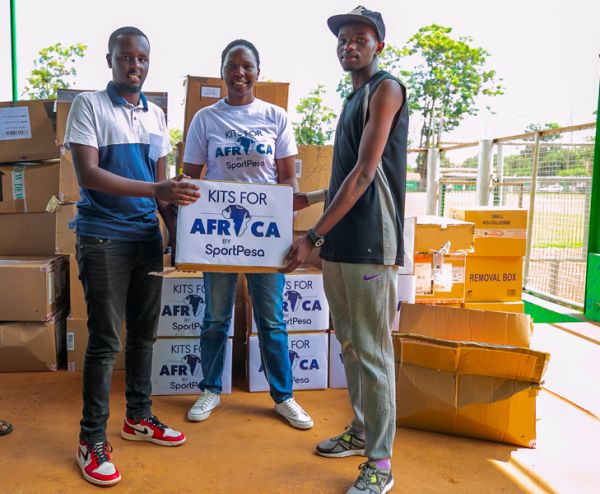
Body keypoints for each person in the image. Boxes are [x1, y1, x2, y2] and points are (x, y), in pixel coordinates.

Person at [65, 26, 200, 487]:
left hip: (146, 237)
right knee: (106, 342)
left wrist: (180, 233)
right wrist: (157, 189)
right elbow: (89, 175)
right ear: (110, 59)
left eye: (142, 58)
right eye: (126, 57)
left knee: (144, 337)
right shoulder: (89, 106)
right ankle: (90, 440)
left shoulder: (156, 115)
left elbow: (163, 191)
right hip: (102, 236)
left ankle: (138, 418)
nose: (135, 66)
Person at [283, 6, 408, 494]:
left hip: (370, 242)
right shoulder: (353, 96)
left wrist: (312, 234)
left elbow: (364, 175)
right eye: (343, 39)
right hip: (341, 242)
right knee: (352, 345)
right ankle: (360, 432)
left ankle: (381, 461)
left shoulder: (386, 89)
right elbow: (349, 173)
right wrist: (310, 198)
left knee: (374, 353)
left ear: (379, 45)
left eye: (360, 38)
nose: (348, 45)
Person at [183, 39, 313, 430]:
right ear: (222, 71)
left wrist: (287, 233)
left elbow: (287, 178)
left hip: (266, 237)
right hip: (218, 235)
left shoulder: (275, 117)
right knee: (215, 317)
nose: (239, 74)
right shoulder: (205, 119)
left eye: (246, 67)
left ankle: (284, 396)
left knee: (271, 319)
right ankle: (209, 389)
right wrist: (187, 234)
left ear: (258, 71)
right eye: (231, 66)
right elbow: (190, 179)